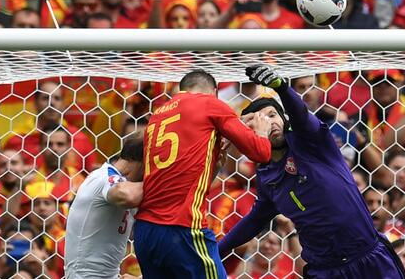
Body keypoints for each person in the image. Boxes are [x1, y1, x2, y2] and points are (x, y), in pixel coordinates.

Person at [218, 65, 405, 279]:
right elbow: (254, 220)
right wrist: (217, 250)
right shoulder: (267, 177)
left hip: (369, 260)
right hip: (326, 271)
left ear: (284, 119)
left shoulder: (311, 143)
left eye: (272, 115)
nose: (268, 122)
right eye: (259, 120)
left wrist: (281, 88)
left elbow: (300, 115)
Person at [134, 69, 272, 278]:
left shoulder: (158, 114)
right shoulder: (209, 103)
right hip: (183, 228)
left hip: (145, 232)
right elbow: (261, 152)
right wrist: (262, 131)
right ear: (215, 92)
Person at [64, 134, 143, 279]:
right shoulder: (105, 177)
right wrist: (159, 182)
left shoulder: (124, 181)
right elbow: (127, 195)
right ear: (133, 160)